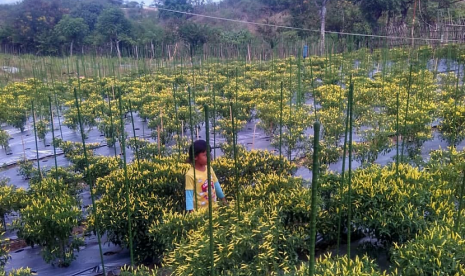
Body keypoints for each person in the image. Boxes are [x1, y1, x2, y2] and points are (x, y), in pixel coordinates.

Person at [185, 140, 227, 212]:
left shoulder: (209, 168)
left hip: (214, 209)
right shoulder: (190, 174)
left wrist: (223, 200)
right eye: (205, 155)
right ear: (195, 157)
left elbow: (216, 185)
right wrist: (191, 212)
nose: (208, 157)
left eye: (209, 154)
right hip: (200, 212)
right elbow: (189, 195)